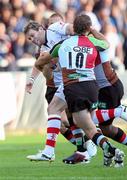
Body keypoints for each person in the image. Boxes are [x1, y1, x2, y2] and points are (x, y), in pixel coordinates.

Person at [40, 14, 125, 167]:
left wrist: (41, 64)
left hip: (73, 86)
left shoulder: (63, 43)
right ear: (87, 28)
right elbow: (106, 43)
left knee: (80, 122)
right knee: (85, 123)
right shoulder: (93, 42)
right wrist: (92, 30)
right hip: (92, 87)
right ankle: (85, 151)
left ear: (73, 27)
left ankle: (50, 151)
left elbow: (45, 60)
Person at [24, 13, 97, 163]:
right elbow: (48, 75)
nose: (32, 40)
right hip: (64, 83)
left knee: (65, 115)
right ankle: (83, 150)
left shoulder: (54, 29)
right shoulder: (42, 51)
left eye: (32, 35)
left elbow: (73, 29)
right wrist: (44, 69)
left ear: (39, 28)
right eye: (29, 39)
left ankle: (57, 151)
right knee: (69, 119)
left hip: (76, 78)